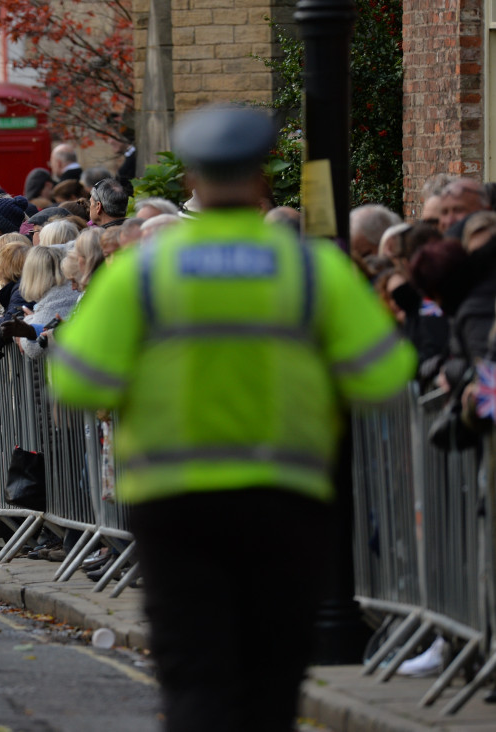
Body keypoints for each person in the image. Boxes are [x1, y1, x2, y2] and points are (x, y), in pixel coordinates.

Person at [46, 105, 416, 732]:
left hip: (173, 499)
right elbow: (383, 376)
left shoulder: (143, 269)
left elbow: (77, 379)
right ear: (262, 176)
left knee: (196, 673)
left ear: (191, 177)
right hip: (286, 497)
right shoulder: (311, 269)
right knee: (271, 679)